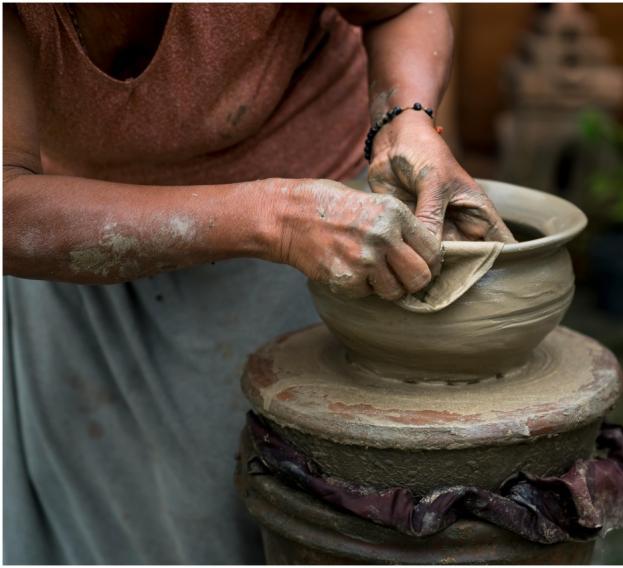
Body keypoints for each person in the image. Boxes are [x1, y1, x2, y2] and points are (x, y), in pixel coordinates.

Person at [3, 4, 514, 563]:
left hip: (322, 222)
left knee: (254, 508)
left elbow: (404, 7)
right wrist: (275, 217)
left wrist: (405, 120)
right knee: (93, 509)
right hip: (74, 228)